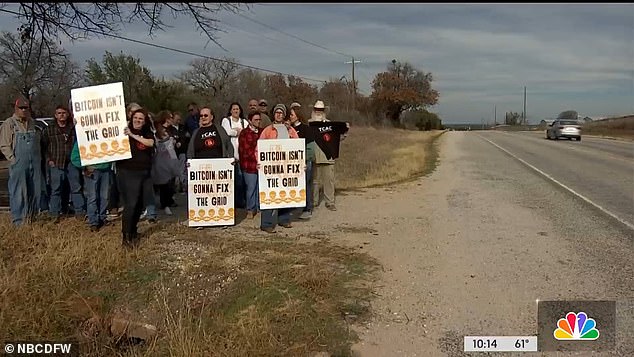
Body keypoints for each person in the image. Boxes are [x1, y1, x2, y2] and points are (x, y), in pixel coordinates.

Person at [0, 97, 44, 225]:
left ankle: (32, 218)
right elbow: (4, 145)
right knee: (18, 192)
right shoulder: (9, 124)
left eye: (26, 108)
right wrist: (13, 160)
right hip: (19, 163)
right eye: (21, 108)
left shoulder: (32, 123)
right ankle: (18, 221)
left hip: (35, 162)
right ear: (16, 108)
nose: (24, 110)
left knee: (35, 191)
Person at [116, 108, 155, 248]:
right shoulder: (122, 130)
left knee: (140, 204)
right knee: (131, 204)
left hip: (144, 172)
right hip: (128, 171)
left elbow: (150, 143)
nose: (138, 121)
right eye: (135, 118)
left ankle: (133, 230)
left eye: (141, 119)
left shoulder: (146, 133)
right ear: (131, 118)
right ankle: (126, 237)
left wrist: (132, 135)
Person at [258, 104, 299, 233]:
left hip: (286, 168)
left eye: (281, 112)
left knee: (285, 192)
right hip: (270, 169)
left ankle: (284, 219)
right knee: (269, 194)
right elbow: (259, 147)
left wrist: (299, 163)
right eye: (277, 112)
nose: (279, 114)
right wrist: (259, 161)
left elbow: (297, 147)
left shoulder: (290, 130)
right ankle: (266, 223)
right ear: (273, 114)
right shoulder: (267, 130)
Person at [42, 105, 85, 223]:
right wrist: (48, 160)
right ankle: (54, 214)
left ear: (68, 114)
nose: (61, 115)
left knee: (76, 188)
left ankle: (80, 212)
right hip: (56, 162)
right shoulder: (49, 129)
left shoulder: (73, 128)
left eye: (64, 113)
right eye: (59, 113)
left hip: (72, 162)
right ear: (55, 115)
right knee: (55, 189)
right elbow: (44, 147)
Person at [308, 100, 349, 211]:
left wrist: (345, 131)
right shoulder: (308, 124)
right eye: (317, 109)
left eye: (321, 110)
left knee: (329, 180)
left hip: (328, 157)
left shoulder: (330, 125)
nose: (318, 112)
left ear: (324, 111)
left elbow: (339, 138)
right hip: (314, 157)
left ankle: (329, 202)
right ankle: (314, 201)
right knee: (314, 181)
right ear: (313, 110)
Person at [69, 130, 111, 232]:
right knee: (92, 197)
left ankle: (102, 217)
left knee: (105, 196)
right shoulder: (83, 138)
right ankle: (93, 221)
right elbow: (74, 157)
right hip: (91, 171)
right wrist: (85, 166)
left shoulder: (107, 138)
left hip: (105, 170)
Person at [288, 106, 316, 220]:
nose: (290, 117)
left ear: (298, 116)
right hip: (291, 162)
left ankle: (307, 208)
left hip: (305, 162)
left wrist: (305, 160)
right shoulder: (288, 129)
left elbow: (310, 148)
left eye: (292, 115)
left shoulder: (306, 129)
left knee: (306, 185)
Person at [151, 110, 180, 215]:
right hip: (162, 159)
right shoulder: (158, 130)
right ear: (166, 118)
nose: (172, 119)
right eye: (171, 117)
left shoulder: (171, 129)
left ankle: (169, 200)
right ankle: (165, 204)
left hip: (171, 158)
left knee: (171, 182)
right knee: (164, 182)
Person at [221, 102, 249, 209]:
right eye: (234, 109)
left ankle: (240, 201)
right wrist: (236, 132)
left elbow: (247, 132)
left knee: (241, 181)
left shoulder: (244, 121)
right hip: (231, 155)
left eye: (237, 109)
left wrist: (239, 132)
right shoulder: (226, 120)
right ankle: (232, 202)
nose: (236, 111)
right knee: (233, 180)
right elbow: (226, 132)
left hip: (242, 154)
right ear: (230, 111)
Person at [238, 111, 263, 219]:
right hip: (249, 166)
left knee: (259, 187)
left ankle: (258, 207)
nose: (258, 122)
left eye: (259, 120)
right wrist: (257, 159)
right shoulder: (244, 133)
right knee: (251, 188)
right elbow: (245, 151)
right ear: (250, 121)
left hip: (261, 165)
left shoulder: (262, 132)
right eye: (255, 120)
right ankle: (250, 209)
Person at [169, 111, 189, 193]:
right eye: (177, 119)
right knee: (173, 171)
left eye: (179, 120)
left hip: (182, 151)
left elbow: (186, 136)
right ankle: (174, 188)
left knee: (182, 170)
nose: (178, 121)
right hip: (173, 153)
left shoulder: (183, 127)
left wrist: (180, 141)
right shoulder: (169, 128)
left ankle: (183, 187)